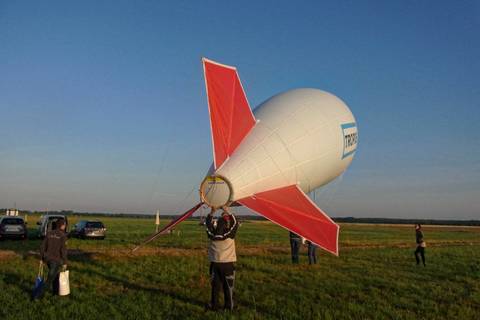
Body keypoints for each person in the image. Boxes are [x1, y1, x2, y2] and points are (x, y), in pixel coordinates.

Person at [205, 206, 238, 311]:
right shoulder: (229, 235)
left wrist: (212, 212)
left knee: (215, 287)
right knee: (228, 287)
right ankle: (229, 307)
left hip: (215, 264)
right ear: (226, 226)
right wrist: (227, 210)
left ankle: (214, 306)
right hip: (227, 265)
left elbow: (208, 224)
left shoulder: (211, 234)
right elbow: (235, 223)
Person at [39, 219, 68, 296]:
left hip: (47, 259)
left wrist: (42, 258)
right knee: (50, 279)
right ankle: (38, 295)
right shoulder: (63, 235)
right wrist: (65, 262)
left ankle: (55, 293)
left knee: (55, 275)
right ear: (61, 225)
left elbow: (42, 246)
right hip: (56, 260)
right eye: (64, 224)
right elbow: (63, 250)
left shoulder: (49, 233)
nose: (65, 226)